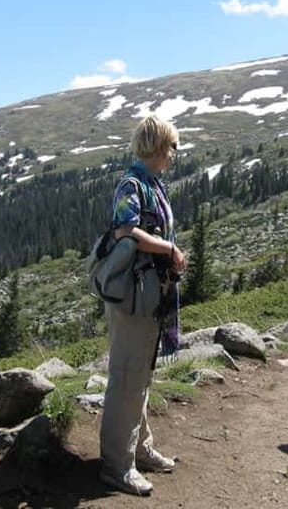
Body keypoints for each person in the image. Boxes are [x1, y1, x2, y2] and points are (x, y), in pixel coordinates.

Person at [99, 115, 188, 496]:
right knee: (127, 376)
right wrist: (168, 248)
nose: (174, 153)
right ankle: (117, 465)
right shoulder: (133, 184)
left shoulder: (152, 183)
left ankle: (140, 447)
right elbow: (125, 230)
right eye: (172, 146)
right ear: (156, 145)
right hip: (134, 296)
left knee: (141, 375)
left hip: (150, 294)